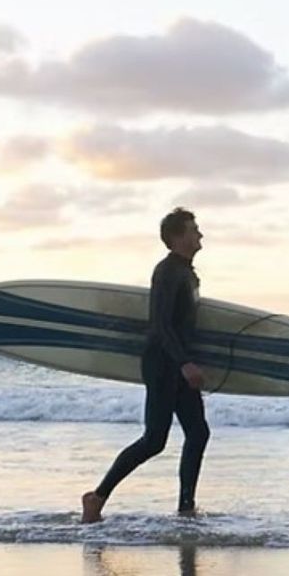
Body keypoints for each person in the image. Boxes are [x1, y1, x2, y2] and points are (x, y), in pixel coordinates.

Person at [82, 207, 210, 523]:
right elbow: (161, 325)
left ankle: (186, 509)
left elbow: (183, 326)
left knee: (198, 432)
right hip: (163, 364)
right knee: (154, 440)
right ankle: (96, 497)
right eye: (194, 229)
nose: (200, 234)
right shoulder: (167, 272)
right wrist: (184, 364)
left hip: (178, 363)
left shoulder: (187, 273)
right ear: (178, 237)